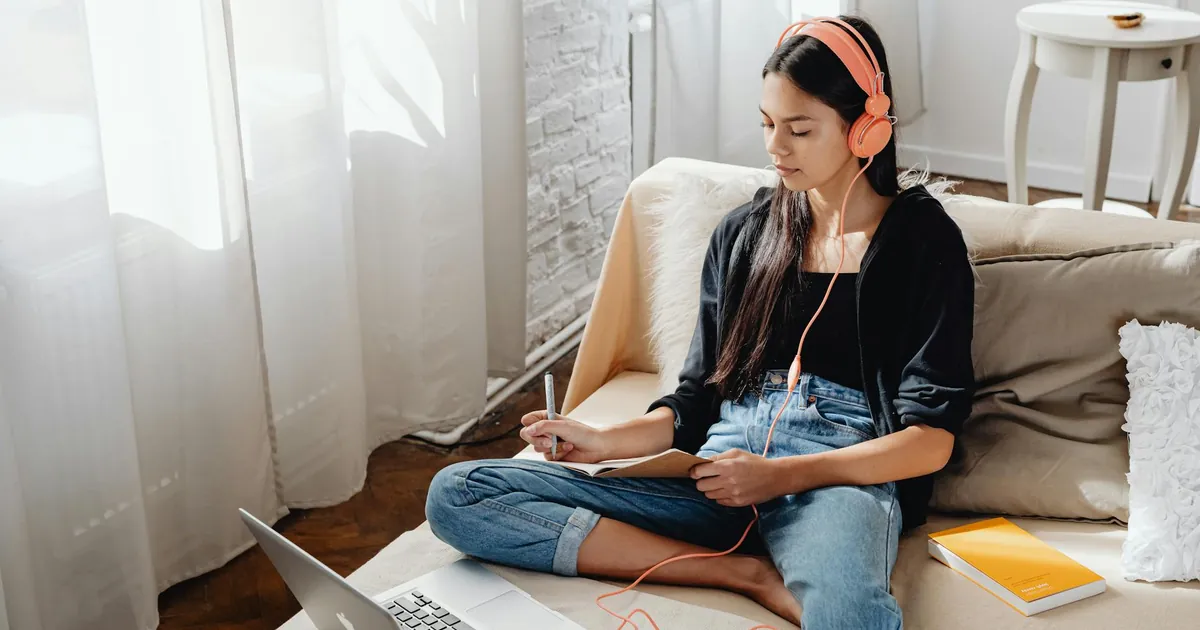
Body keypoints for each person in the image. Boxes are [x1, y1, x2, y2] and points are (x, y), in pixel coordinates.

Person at [424, 15, 974, 630]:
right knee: (458, 494)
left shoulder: (925, 241)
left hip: (834, 477)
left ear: (865, 128)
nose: (775, 149)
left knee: (850, 616)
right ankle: (741, 572)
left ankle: (773, 558)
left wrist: (780, 476)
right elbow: (696, 399)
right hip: (720, 472)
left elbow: (932, 440)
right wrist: (600, 442)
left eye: (799, 129)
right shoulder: (743, 234)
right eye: (768, 125)